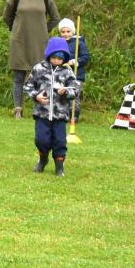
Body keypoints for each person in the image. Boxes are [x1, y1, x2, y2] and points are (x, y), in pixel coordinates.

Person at [3, 0, 60, 119]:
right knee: (18, 77)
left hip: (39, 43)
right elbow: (6, 16)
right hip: (19, 42)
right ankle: (18, 109)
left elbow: (55, 18)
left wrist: (44, 31)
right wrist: (16, 29)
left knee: (40, 77)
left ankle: (40, 108)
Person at [24, 37, 81, 177]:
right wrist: (36, 96)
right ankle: (42, 160)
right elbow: (28, 86)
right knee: (41, 140)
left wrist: (66, 92)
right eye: (54, 57)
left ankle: (59, 166)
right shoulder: (38, 69)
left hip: (60, 115)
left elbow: (75, 89)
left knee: (60, 141)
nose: (56, 60)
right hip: (42, 114)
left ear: (64, 58)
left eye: (60, 58)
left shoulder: (67, 72)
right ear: (48, 55)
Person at [57, 18, 91, 123]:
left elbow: (86, 57)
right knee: (61, 94)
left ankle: (74, 116)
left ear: (73, 31)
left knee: (73, 96)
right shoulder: (58, 43)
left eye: (68, 31)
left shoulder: (79, 43)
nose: (65, 34)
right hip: (62, 74)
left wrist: (76, 61)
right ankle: (62, 114)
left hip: (76, 75)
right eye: (63, 32)